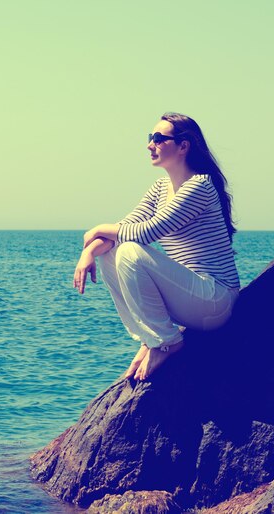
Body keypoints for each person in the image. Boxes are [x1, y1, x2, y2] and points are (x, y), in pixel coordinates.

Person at [73, 112, 241, 381]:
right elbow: (127, 226)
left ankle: (166, 342)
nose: (150, 144)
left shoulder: (199, 186)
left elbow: (148, 231)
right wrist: (90, 251)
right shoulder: (160, 188)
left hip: (215, 300)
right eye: (151, 138)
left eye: (159, 139)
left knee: (129, 250)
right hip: (191, 299)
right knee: (111, 253)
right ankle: (149, 338)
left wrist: (95, 230)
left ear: (183, 146)